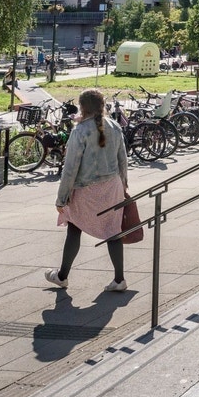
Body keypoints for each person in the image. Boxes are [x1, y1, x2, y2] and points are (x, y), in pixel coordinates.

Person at [45, 89, 131, 293]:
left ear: (83, 107)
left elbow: (71, 167)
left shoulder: (80, 130)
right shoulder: (115, 125)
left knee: (74, 226)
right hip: (112, 186)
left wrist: (62, 197)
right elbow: (123, 159)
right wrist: (124, 185)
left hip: (86, 189)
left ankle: (62, 276)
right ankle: (119, 279)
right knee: (113, 231)